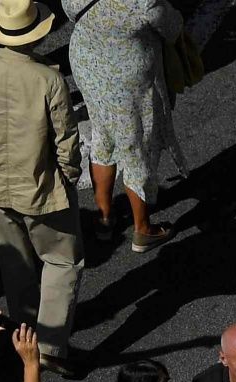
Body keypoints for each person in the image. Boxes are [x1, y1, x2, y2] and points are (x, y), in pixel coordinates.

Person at [0, 0, 82, 371]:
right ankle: (50, 345)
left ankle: (25, 333)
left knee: (15, 262)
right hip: (40, 184)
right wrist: (67, 176)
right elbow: (65, 140)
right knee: (61, 260)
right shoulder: (48, 79)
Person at [65, 0, 183, 254]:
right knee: (136, 147)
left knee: (102, 137)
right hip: (128, 78)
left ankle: (104, 218)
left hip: (88, 65)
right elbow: (172, 26)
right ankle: (143, 229)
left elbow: (69, 11)